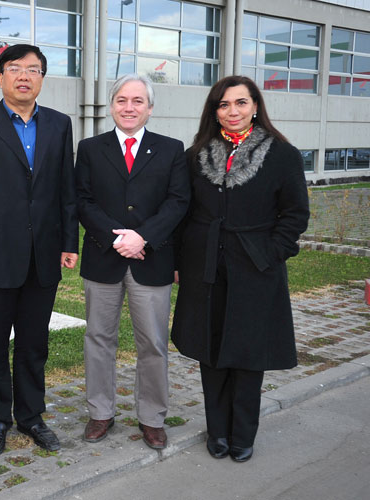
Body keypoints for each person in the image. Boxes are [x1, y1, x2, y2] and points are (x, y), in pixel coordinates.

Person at [171, 75, 309, 462]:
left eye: (241, 103)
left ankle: (243, 434)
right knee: (210, 351)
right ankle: (217, 431)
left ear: (255, 106)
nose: (232, 111)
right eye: (224, 104)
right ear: (214, 111)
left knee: (248, 354)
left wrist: (271, 252)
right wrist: (182, 261)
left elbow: (295, 214)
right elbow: (183, 214)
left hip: (256, 267)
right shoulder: (196, 154)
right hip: (206, 267)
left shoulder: (282, 153)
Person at [0, 44, 78, 455]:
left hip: (44, 254)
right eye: (15, 69)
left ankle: (31, 416)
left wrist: (69, 242)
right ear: (0, 77)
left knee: (33, 343)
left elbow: (66, 189)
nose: (24, 76)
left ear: (43, 78)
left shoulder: (60, 125)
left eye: (33, 70)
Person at [75, 74, 190, 450]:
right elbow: (83, 201)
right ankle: (101, 412)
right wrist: (118, 238)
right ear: (112, 106)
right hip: (103, 260)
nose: (129, 107)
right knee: (98, 339)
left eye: (137, 101)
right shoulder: (90, 149)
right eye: (122, 100)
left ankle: (152, 417)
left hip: (151, 259)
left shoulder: (172, 149)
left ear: (150, 108)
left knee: (153, 343)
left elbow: (178, 202)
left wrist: (143, 237)